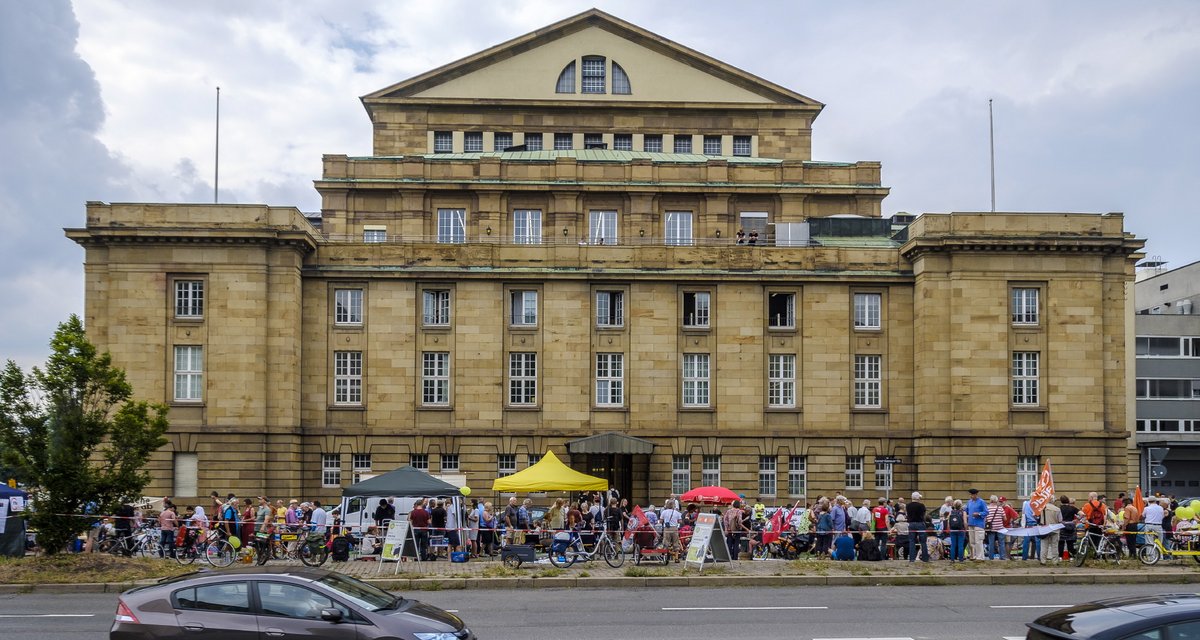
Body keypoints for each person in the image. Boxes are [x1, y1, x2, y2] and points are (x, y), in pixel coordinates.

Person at [906, 491, 930, 562]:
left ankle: (912, 558)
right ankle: (925, 558)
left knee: (911, 541)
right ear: (918, 498)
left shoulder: (908, 505)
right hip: (920, 523)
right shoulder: (921, 505)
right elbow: (924, 514)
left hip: (911, 524)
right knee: (923, 542)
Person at [966, 488, 988, 561]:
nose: (971, 496)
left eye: (972, 495)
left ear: (976, 494)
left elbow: (986, 512)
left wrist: (979, 514)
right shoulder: (969, 502)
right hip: (971, 523)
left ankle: (980, 557)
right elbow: (966, 510)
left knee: (978, 541)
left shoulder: (982, 502)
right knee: (972, 541)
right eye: (970, 495)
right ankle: (973, 555)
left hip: (979, 524)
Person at [1040, 497, 1063, 564]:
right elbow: (1060, 520)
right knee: (1055, 546)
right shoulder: (1057, 509)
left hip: (1045, 529)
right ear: (1053, 501)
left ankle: (1043, 561)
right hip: (1055, 529)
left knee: (1044, 546)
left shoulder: (1042, 508)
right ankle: (1055, 561)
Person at [985, 495, 1007, 560]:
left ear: (990, 500)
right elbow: (1005, 519)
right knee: (1001, 543)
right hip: (1000, 528)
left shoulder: (987, 508)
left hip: (991, 528)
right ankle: (1002, 557)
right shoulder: (1000, 508)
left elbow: (985, 519)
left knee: (991, 543)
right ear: (996, 500)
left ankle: (991, 557)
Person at [1059, 495, 1080, 559]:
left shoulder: (1059, 509)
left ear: (1061, 501)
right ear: (1068, 501)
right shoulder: (1072, 508)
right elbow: (1082, 514)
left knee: (1061, 542)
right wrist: (1077, 520)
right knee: (1070, 542)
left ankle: (1060, 557)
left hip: (1061, 526)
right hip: (1071, 526)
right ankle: (1071, 557)